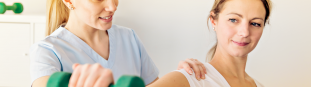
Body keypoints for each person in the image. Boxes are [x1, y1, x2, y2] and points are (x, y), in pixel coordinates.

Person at [30, 0, 206, 87]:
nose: (112, 6)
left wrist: (182, 74)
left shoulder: (128, 37)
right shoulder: (47, 51)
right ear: (68, 1)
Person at [147, 0, 272, 87]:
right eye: (233, 20)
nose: (244, 32)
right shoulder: (189, 79)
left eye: (255, 23)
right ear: (213, 21)